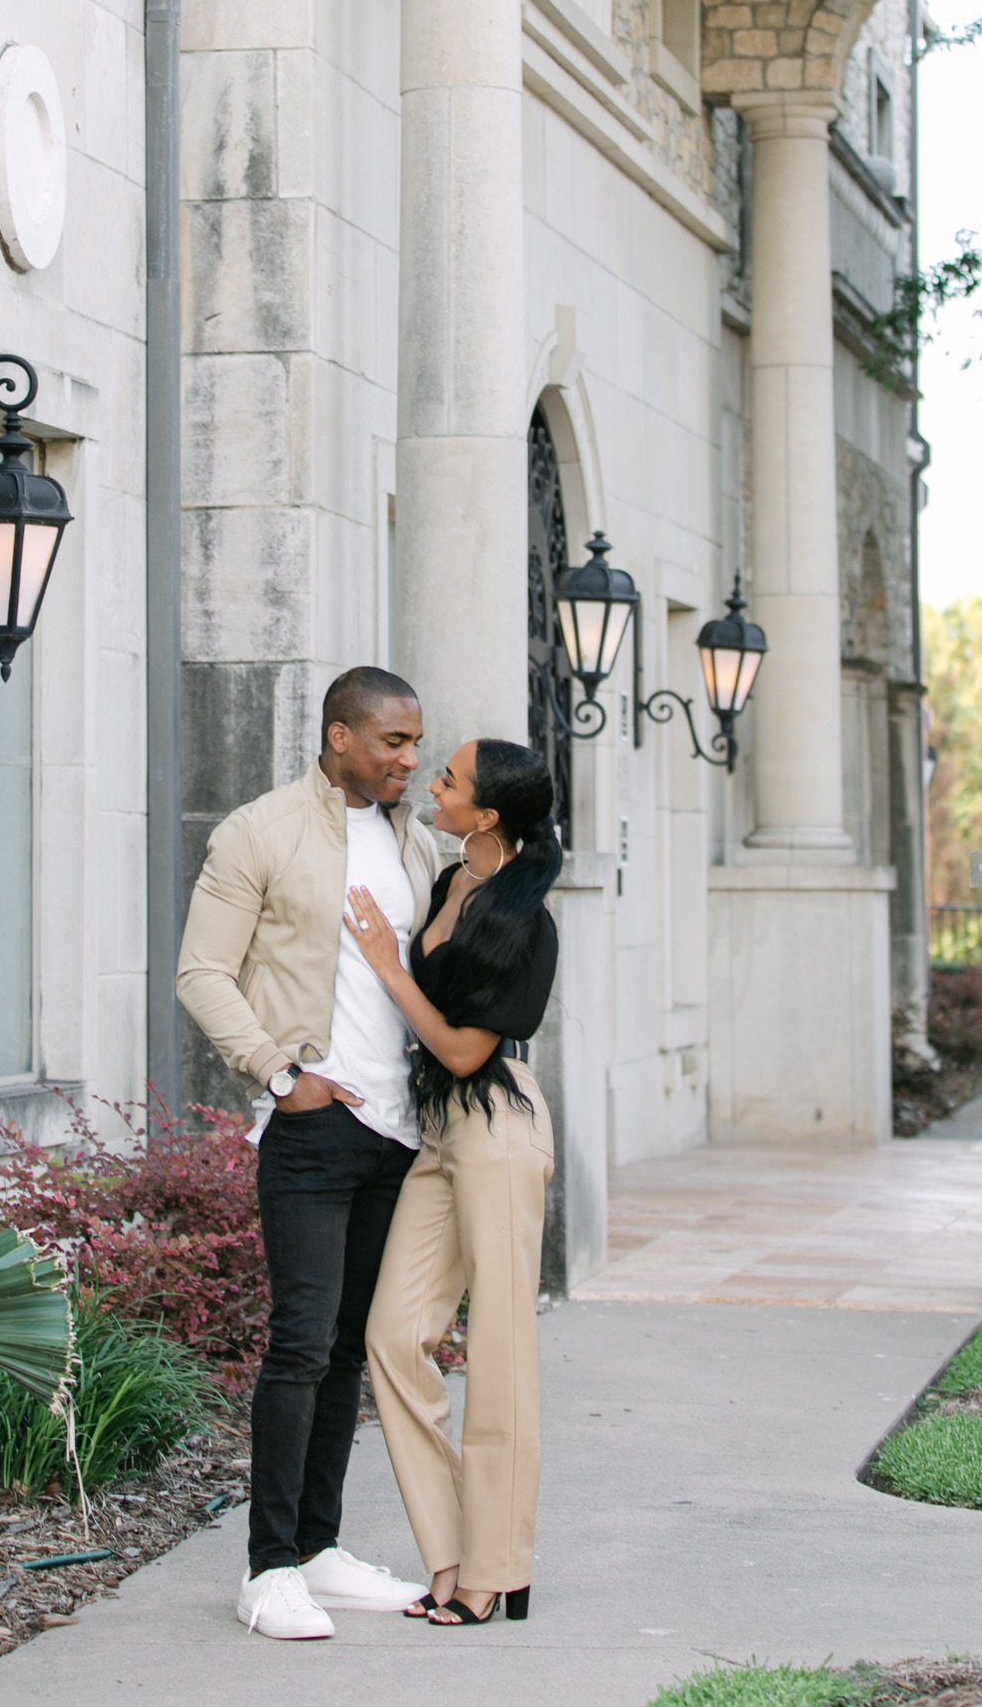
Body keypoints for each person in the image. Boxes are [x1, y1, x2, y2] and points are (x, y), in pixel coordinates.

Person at [176, 666, 440, 1641]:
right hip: (314, 1127)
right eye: (391, 743)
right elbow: (201, 971)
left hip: (401, 1134)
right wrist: (281, 1076)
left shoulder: (412, 840)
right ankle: (269, 1567)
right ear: (339, 736)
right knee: (298, 1341)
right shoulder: (259, 831)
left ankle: (322, 1549)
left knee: (345, 1351)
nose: (408, 760)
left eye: (415, 744)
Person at [347, 736, 560, 1629]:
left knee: (502, 1351)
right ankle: (451, 1551)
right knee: (394, 1336)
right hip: (441, 1131)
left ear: (488, 814)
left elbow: (470, 1047)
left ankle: (499, 1567)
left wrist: (387, 968)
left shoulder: (527, 921)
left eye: (450, 779)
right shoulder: (450, 882)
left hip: (500, 1128)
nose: (432, 782)